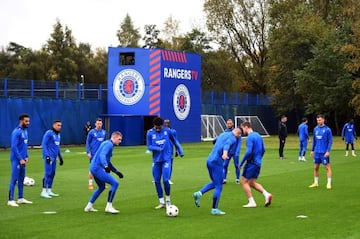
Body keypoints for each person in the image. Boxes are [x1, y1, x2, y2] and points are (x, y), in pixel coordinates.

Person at [193, 128, 242, 215]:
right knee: (219, 185)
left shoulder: (223, 134)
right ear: (238, 134)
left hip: (209, 160)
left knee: (215, 182)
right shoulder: (233, 138)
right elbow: (227, 144)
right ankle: (214, 209)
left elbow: (214, 140)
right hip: (217, 162)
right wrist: (225, 153)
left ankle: (199, 193)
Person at [146, 117, 184, 210]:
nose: (158, 128)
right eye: (156, 127)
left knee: (166, 180)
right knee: (156, 181)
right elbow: (149, 146)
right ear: (154, 126)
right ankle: (161, 201)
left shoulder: (168, 131)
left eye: (159, 127)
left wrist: (180, 150)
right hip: (156, 161)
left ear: (162, 125)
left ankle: (168, 200)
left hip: (166, 159)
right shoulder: (150, 133)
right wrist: (157, 148)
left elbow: (175, 141)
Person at [84, 131, 124, 214]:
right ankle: (109, 206)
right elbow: (102, 155)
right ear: (114, 137)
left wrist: (116, 172)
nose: (120, 141)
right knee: (115, 183)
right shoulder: (109, 145)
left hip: (93, 168)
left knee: (101, 187)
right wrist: (105, 166)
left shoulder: (106, 143)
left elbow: (108, 161)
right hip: (97, 168)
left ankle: (89, 206)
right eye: (119, 139)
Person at [238, 121, 272, 208]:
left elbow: (248, 152)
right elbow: (263, 149)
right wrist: (259, 158)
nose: (242, 131)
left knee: (244, 181)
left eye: (242, 128)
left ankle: (251, 202)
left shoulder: (250, 137)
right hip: (258, 163)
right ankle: (267, 195)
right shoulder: (258, 135)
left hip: (251, 163)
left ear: (246, 127)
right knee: (252, 182)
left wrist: (241, 163)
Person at [8, 113, 33, 207]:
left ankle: (20, 198)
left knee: (21, 179)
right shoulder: (16, 132)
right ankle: (10, 200)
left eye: (29, 121)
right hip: (16, 159)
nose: (28, 123)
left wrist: (26, 156)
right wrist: (20, 159)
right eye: (26, 121)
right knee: (14, 179)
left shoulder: (25, 131)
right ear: (21, 121)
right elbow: (14, 147)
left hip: (23, 159)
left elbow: (24, 146)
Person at [40, 120, 64, 199]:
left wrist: (60, 157)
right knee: (48, 173)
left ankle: (49, 190)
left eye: (60, 125)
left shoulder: (58, 135)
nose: (59, 127)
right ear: (54, 125)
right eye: (58, 125)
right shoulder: (49, 133)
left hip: (54, 157)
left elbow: (57, 147)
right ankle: (43, 191)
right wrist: (47, 156)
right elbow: (44, 144)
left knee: (53, 173)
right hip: (49, 157)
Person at [309, 114, 333, 189]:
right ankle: (316, 183)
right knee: (316, 167)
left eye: (319, 120)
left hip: (324, 152)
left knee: (327, 167)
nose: (318, 121)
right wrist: (312, 150)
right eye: (317, 120)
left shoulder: (327, 130)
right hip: (317, 152)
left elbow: (330, 141)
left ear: (323, 120)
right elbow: (314, 141)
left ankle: (329, 183)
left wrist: (328, 151)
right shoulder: (315, 129)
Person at [86, 118, 106, 190]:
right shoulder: (91, 132)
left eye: (100, 124)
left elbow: (104, 143)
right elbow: (88, 142)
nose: (99, 125)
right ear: (95, 124)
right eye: (98, 123)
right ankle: (90, 183)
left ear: (102, 124)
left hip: (102, 154)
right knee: (92, 169)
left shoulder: (104, 132)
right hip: (94, 154)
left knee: (103, 169)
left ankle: (103, 183)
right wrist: (88, 152)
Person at [221, 119, 242, 184]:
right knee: (225, 165)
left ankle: (237, 179)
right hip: (228, 152)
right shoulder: (225, 132)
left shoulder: (236, 131)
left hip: (235, 151)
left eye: (230, 123)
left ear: (233, 124)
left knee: (236, 165)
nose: (229, 125)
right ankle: (224, 179)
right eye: (228, 123)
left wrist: (237, 151)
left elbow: (239, 142)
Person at [163, 119, 179, 185]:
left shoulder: (173, 131)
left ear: (170, 124)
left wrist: (177, 150)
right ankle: (158, 178)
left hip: (170, 151)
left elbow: (176, 141)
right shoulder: (162, 131)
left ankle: (168, 179)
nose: (166, 124)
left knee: (169, 165)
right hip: (162, 151)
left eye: (167, 123)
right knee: (160, 164)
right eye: (165, 123)